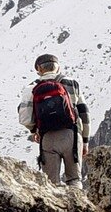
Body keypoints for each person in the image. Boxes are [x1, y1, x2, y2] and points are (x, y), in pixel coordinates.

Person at [18, 53, 90, 188]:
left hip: (47, 137)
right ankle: (78, 207)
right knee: (74, 179)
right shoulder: (72, 83)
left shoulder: (31, 88)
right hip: (72, 135)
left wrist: (34, 130)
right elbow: (84, 113)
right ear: (58, 67)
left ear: (38, 68)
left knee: (51, 184)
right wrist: (85, 141)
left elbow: (25, 118)